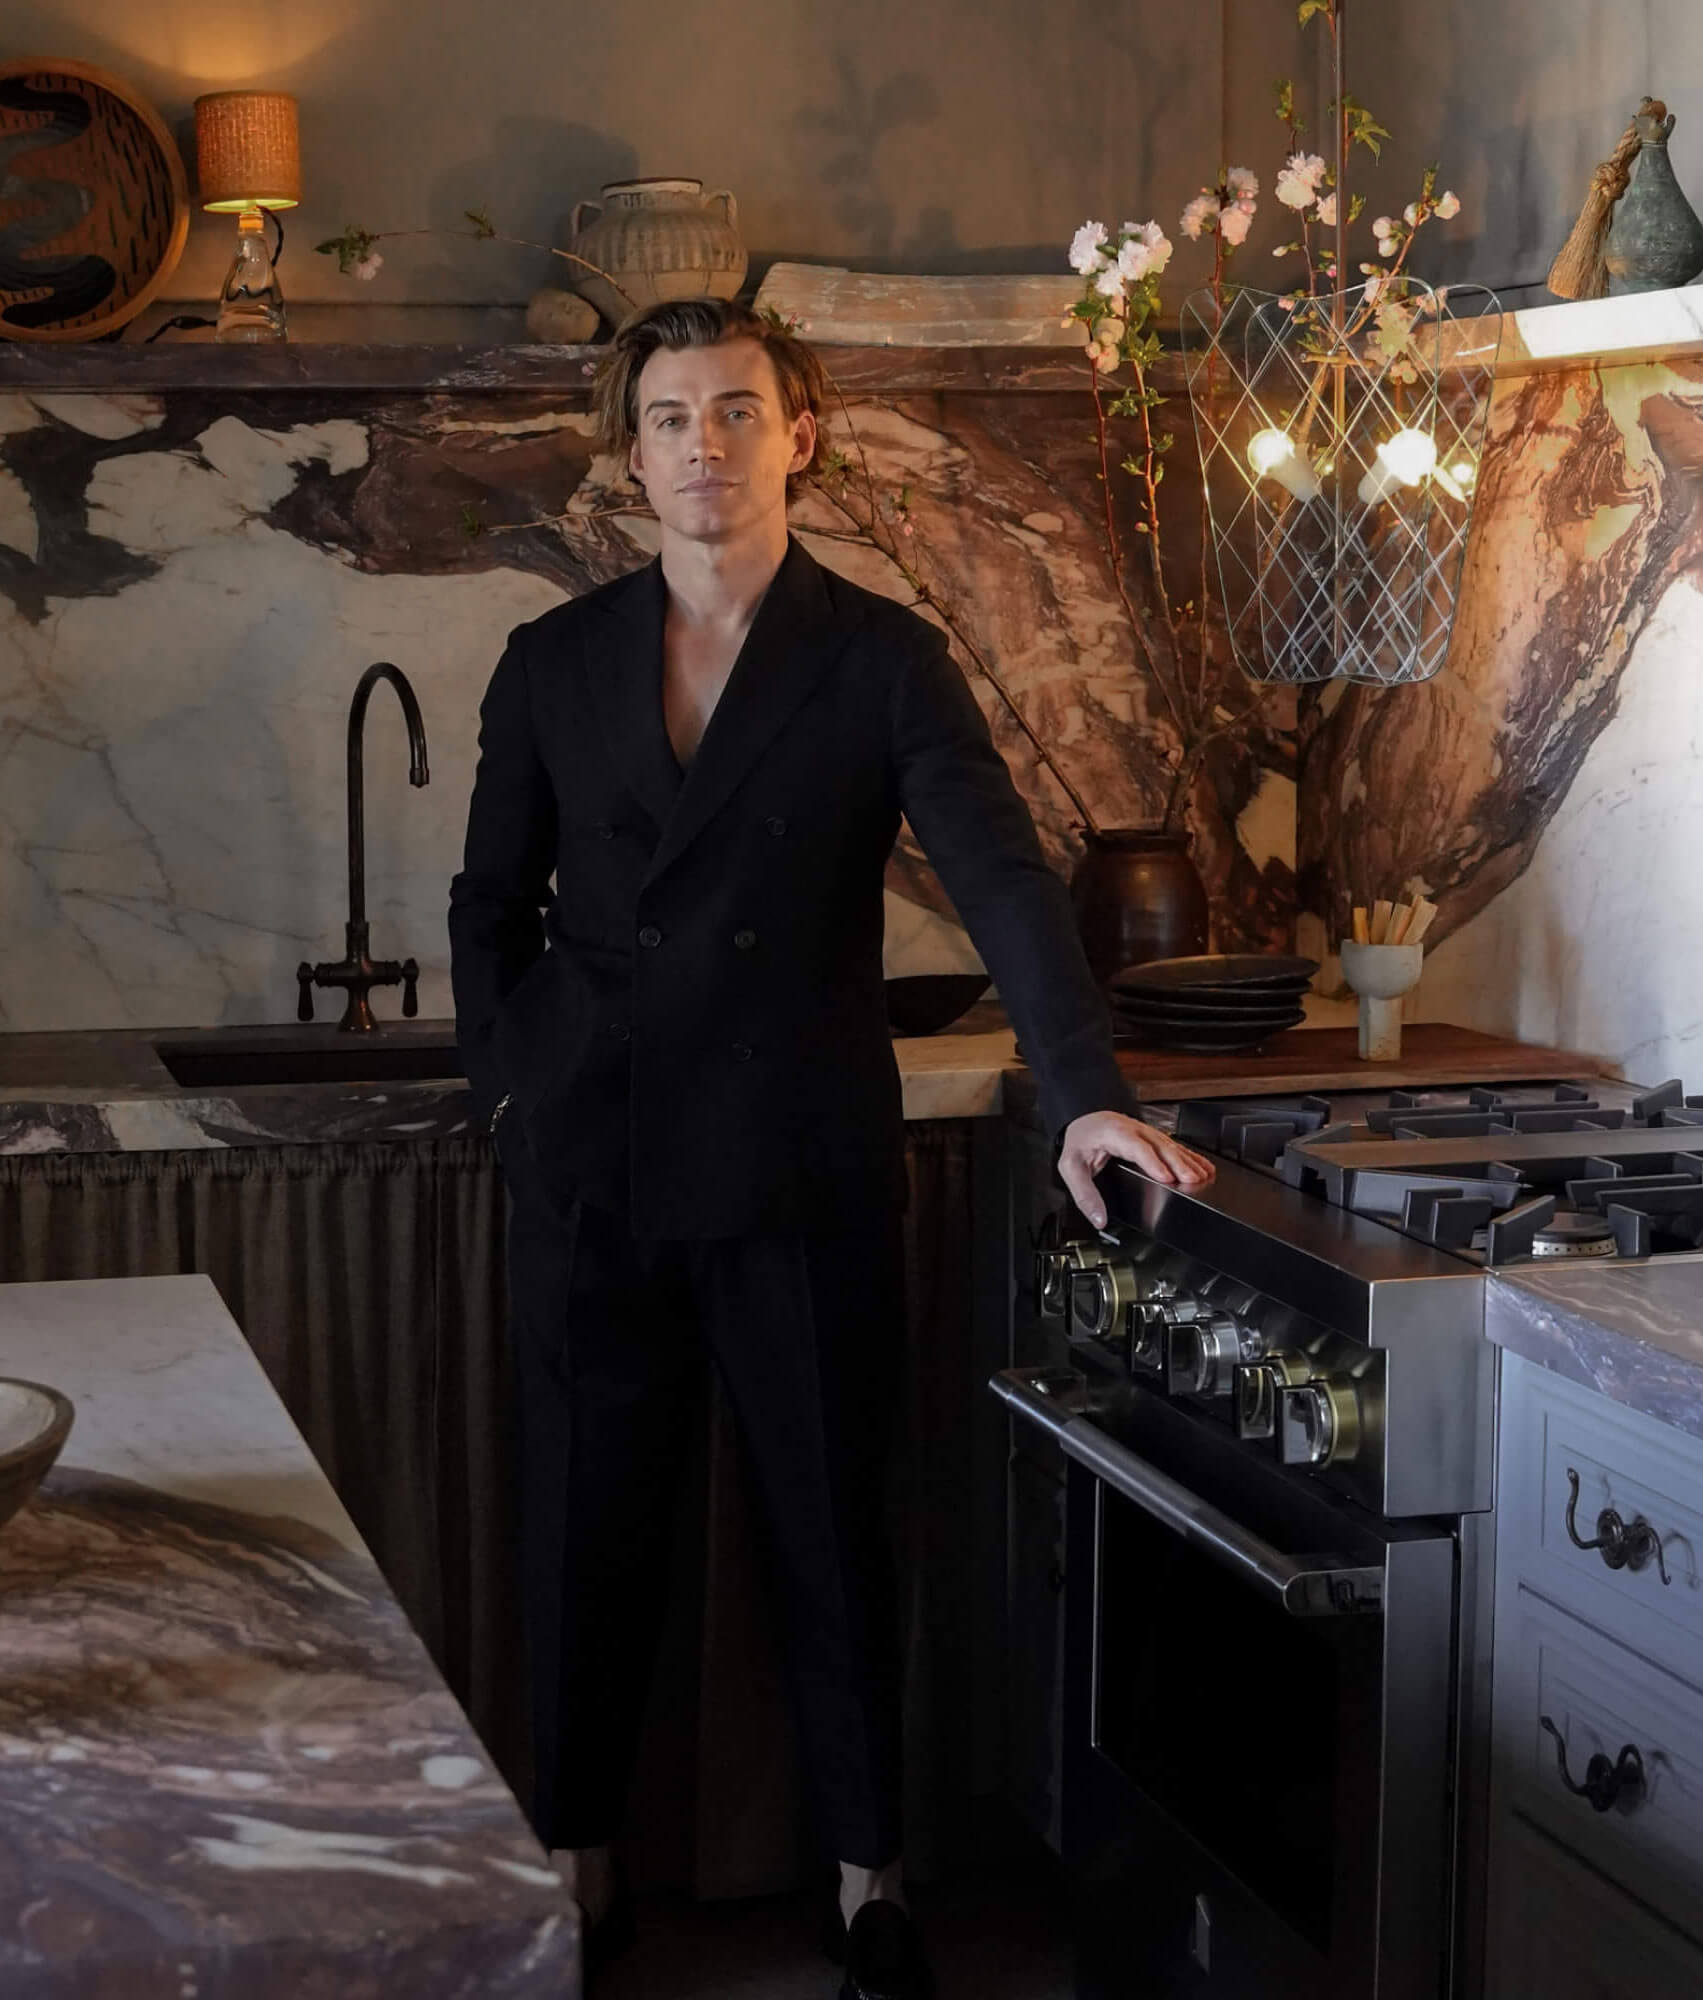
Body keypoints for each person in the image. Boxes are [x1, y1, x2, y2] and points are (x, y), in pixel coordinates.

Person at [449, 297, 1214, 1999]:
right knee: (584, 1530)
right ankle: (578, 1866)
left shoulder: (877, 657)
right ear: (629, 450)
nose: (701, 445)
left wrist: (1084, 1088)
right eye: (669, 416)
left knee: (831, 1527)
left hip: (794, 1158)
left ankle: (871, 1880)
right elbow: (487, 904)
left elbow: (1001, 877)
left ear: (798, 435)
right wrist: (511, 1088)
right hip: (590, 1162)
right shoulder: (552, 660)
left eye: (735, 410)